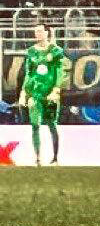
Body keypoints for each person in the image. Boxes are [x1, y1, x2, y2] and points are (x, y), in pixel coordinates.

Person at [18, 22, 66, 166]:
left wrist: (56, 90)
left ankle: (55, 158)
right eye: (36, 31)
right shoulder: (31, 51)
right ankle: (38, 158)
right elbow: (28, 73)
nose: (37, 34)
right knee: (35, 124)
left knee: (52, 124)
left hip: (50, 94)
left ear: (47, 33)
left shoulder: (56, 51)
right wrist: (23, 93)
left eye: (40, 31)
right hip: (35, 94)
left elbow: (60, 72)